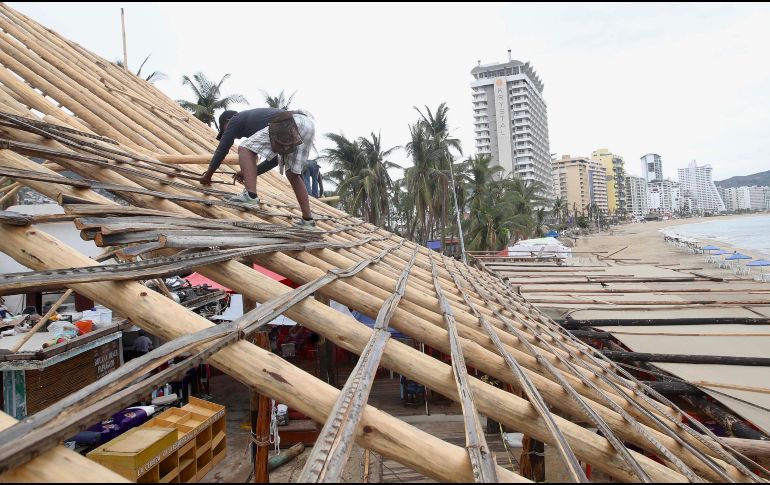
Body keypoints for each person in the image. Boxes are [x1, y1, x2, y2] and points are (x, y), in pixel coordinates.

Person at [199, 108, 316, 228]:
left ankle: (250, 196)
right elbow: (275, 160)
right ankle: (308, 221)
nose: (227, 133)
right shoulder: (256, 124)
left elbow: (222, 149)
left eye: (224, 129)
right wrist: (248, 173)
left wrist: (208, 175)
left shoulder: (235, 120)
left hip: (291, 121)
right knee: (293, 174)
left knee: (244, 148)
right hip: (307, 125)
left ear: (227, 121)